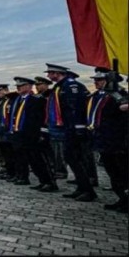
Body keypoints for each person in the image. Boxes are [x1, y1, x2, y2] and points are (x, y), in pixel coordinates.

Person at [45, 63, 96, 201]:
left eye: (50, 73)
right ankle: (81, 187)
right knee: (71, 157)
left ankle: (88, 190)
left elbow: (76, 107)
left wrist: (78, 127)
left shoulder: (71, 86)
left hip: (75, 128)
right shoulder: (60, 86)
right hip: (67, 128)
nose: (48, 76)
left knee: (76, 158)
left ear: (57, 73)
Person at [88, 69, 127, 212]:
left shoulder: (119, 95)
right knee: (112, 171)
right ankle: (121, 198)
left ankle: (126, 199)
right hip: (104, 138)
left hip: (116, 141)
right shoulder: (102, 96)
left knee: (121, 172)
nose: (95, 82)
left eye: (99, 80)